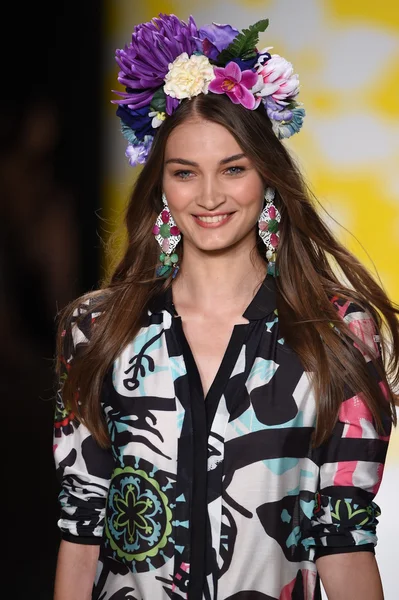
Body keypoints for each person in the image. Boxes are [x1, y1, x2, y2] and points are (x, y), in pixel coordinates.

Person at [52, 14, 399, 600]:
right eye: (185, 173)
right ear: (162, 184)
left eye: (233, 169)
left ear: (266, 175)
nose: (209, 196)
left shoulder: (338, 330)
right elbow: (82, 533)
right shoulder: (97, 329)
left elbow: (343, 542)